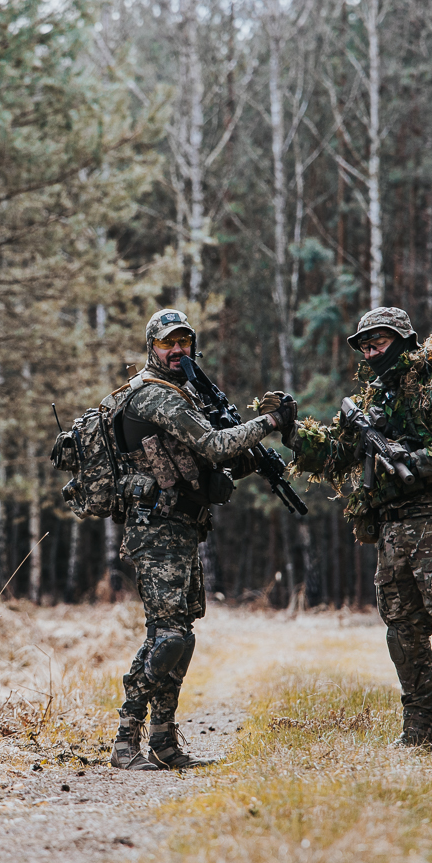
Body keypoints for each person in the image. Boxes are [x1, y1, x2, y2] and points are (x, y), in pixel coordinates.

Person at [285, 306, 432, 763]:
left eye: (379, 343)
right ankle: (417, 733)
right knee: (403, 637)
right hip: (393, 531)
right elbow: (337, 455)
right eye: (365, 347)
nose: (371, 353)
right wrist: (290, 431)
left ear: (404, 341)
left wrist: (410, 461)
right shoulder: (373, 400)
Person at [108, 308, 295, 770]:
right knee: (168, 637)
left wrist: (254, 460)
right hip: (155, 529)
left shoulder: (187, 393)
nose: (177, 350)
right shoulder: (154, 396)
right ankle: (125, 739)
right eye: (167, 343)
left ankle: (163, 741)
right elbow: (213, 444)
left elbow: (208, 463)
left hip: (184, 527)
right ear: (152, 347)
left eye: (184, 342)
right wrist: (268, 423)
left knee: (180, 637)